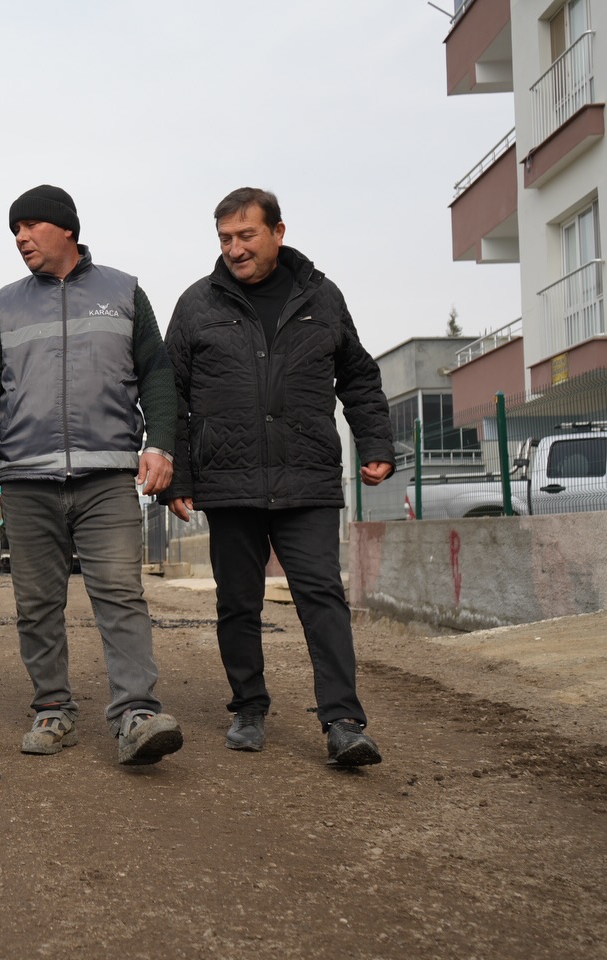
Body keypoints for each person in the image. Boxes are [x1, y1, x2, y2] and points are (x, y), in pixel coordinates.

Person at [0, 185, 184, 766]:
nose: (21, 239)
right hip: (26, 479)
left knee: (120, 596)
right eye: (14, 231)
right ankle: (53, 709)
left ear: (67, 229)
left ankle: (137, 713)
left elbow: (156, 374)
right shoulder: (7, 304)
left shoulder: (124, 292)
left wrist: (162, 447)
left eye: (30, 227)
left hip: (107, 476)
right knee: (36, 604)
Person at [162, 186, 393, 767]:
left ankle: (342, 720)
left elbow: (359, 377)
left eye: (246, 235)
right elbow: (171, 398)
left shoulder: (322, 296)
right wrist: (178, 477)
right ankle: (248, 706)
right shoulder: (198, 305)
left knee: (321, 595)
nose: (235, 249)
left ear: (278, 232)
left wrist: (377, 443)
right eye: (225, 239)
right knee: (237, 601)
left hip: (306, 476)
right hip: (230, 478)